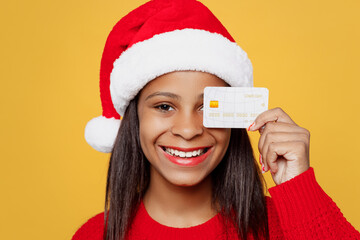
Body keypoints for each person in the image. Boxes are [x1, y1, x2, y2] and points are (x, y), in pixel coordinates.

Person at [73, 0, 360, 239]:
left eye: (207, 107)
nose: (188, 130)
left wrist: (298, 188)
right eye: (164, 106)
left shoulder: (282, 225)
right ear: (134, 119)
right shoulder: (94, 234)